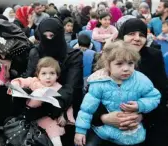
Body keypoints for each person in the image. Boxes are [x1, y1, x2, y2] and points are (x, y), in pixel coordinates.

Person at [92, 18, 168, 146]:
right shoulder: (107, 56)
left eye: (142, 35)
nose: (137, 38)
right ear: (122, 36)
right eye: (131, 34)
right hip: (110, 120)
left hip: (146, 117)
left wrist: (141, 116)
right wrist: (104, 118)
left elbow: (162, 92)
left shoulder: (154, 57)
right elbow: (93, 94)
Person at [74, 40, 161, 146]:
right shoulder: (99, 83)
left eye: (130, 63)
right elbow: (86, 110)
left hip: (132, 132)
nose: (126, 68)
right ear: (108, 65)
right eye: (119, 64)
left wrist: (140, 105)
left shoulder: (141, 80)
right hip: (104, 131)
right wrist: (80, 131)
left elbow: (154, 97)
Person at [23, 17, 83, 146]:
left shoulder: (73, 55)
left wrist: (57, 106)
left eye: (52, 35)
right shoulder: (36, 52)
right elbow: (29, 77)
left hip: (64, 104)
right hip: (38, 102)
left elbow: (72, 87)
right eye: (45, 36)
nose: (49, 39)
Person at [9, 57, 75, 146]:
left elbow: (67, 104)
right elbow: (20, 81)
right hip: (29, 117)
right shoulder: (34, 81)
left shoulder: (59, 88)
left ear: (57, 75)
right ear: (38, 75)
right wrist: (16, 85)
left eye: (52, 73)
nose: (48, 77)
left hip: (48, 120)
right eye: (44, 73)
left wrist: (64, 116)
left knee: (56, 140)